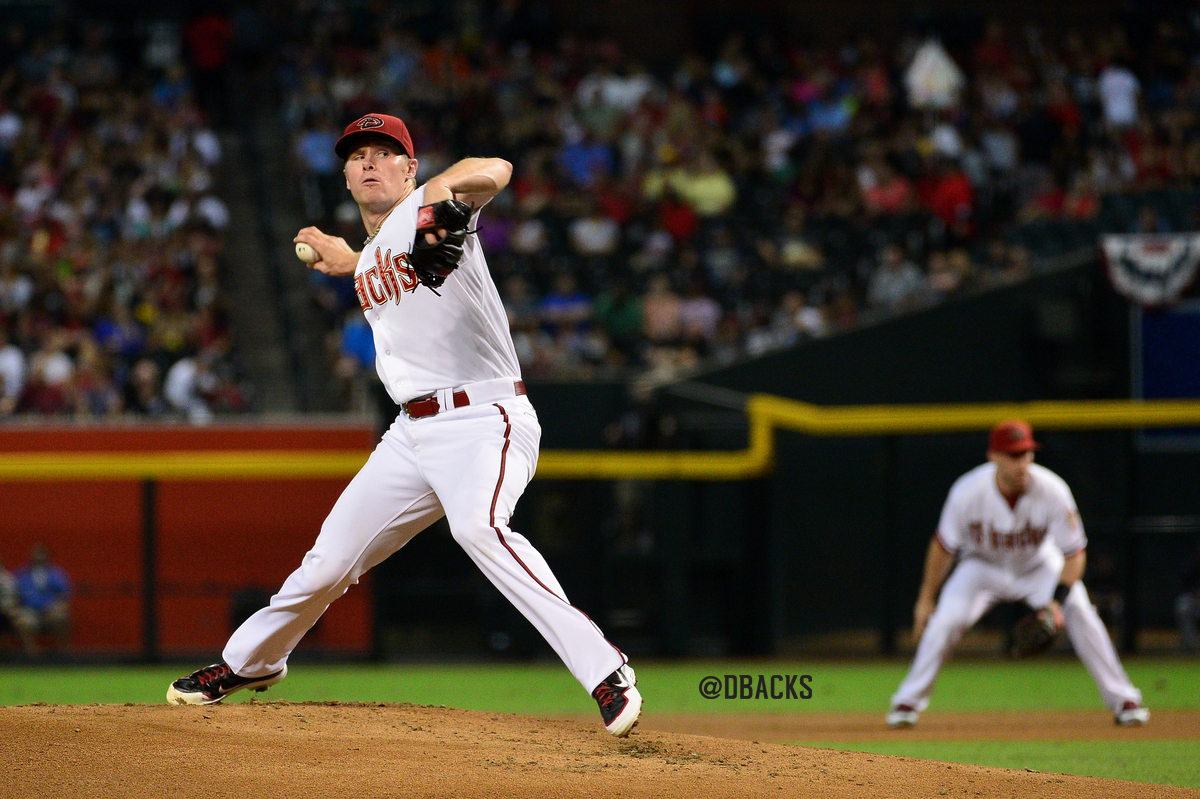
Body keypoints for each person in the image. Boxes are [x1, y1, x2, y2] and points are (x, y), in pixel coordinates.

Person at [166, 113, 642, 737]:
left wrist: (440, 192)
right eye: (357, 154)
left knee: (480, 528)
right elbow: (385, 262)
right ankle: (251, 663)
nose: (369, 162)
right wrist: (350, 261)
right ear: (342, 173)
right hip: (411, 434)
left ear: (409, 168)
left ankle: (606, 670)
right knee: (329, 561)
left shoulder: (431, 210)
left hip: (484, 416)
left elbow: (496, 170)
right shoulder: (374, 254)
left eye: (384, 152)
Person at [886, 420, 1149, 728]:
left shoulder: (1053, 489)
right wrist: (925, 599)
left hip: (1038, 565)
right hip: (982, 567)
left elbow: (1074, 554)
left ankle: (1124, 700)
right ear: (993, 456)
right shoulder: (967, 491)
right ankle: (907, 701)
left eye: (1026, 454)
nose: (1022, 463)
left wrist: (1056, 601)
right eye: (1013, 455)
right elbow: (943, 547)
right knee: (946, 619)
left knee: (1080, 609)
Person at [11, 543, 72, 655]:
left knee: (63, 618)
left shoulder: (57, 574)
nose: (39, 556)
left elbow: (64, 597)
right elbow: (14, 596)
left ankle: (63, 653)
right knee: (22, 621)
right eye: (36, 554)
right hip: (29, 611)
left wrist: (59, 608)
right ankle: (31, 654)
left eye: (41, 554)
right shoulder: (21, 574)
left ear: (48, 556)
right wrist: (17, 610)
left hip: (50, 612)